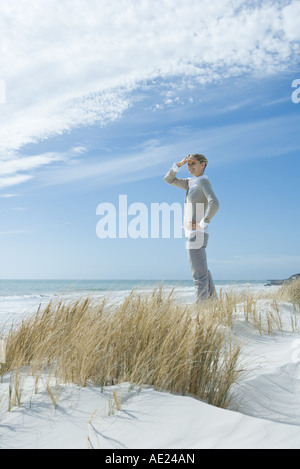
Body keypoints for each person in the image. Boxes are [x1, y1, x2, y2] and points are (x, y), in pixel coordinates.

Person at [164, 153, 219, 303]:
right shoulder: (190, 182)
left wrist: (202, 223)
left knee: (199, 275)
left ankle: (201, 309)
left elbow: (215, 203)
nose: (190, 167)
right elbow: (168, 179)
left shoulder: (203, 182)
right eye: (188, 164)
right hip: (192, 233)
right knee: (203, 270)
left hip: (197, 233)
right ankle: (214, 303)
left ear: (203, 165)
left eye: (193, 163)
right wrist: (179, 164)